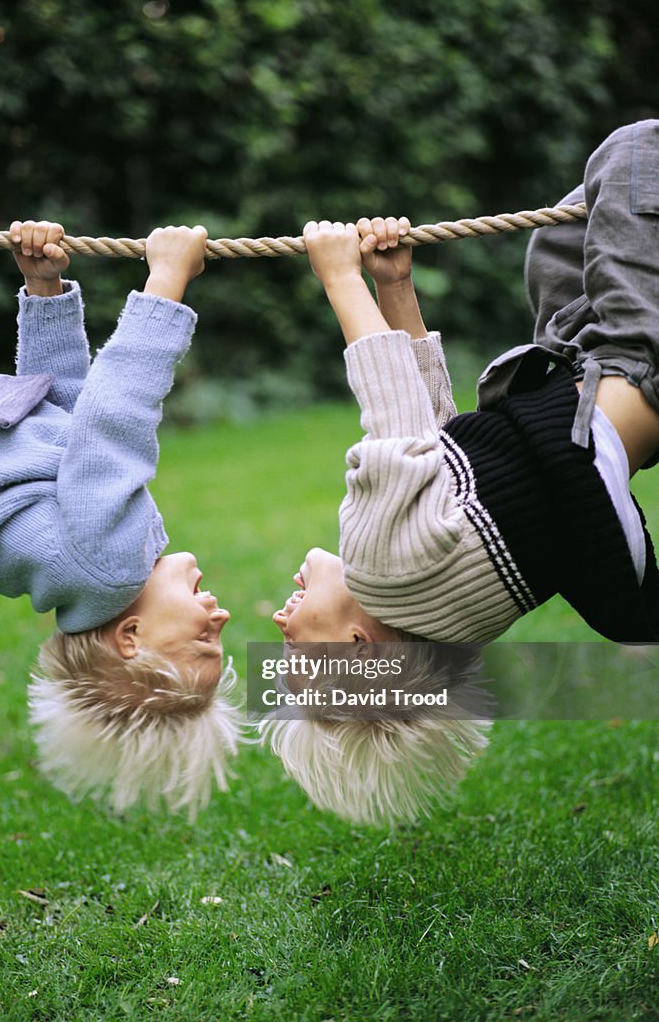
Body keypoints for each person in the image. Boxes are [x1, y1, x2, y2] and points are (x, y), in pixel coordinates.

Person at [261, 120, 659, 826]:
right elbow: (389, 404)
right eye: (294, 645)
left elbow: (438, 437)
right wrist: (338, 277)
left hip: (593, 374)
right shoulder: (379, 564)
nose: (278, 617)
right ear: (357, 648)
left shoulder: (449, 620)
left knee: (559, 243)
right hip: (632, 362)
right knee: (633, 154)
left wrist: (395, 289)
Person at [0, 185, 242, 819]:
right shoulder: (103, 565)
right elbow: (67, 411)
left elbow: (116, 414)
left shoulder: (109, 565)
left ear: (132, 638)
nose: (219, 622)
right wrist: (45, 293)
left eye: (203, 644)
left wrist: (166, 282)